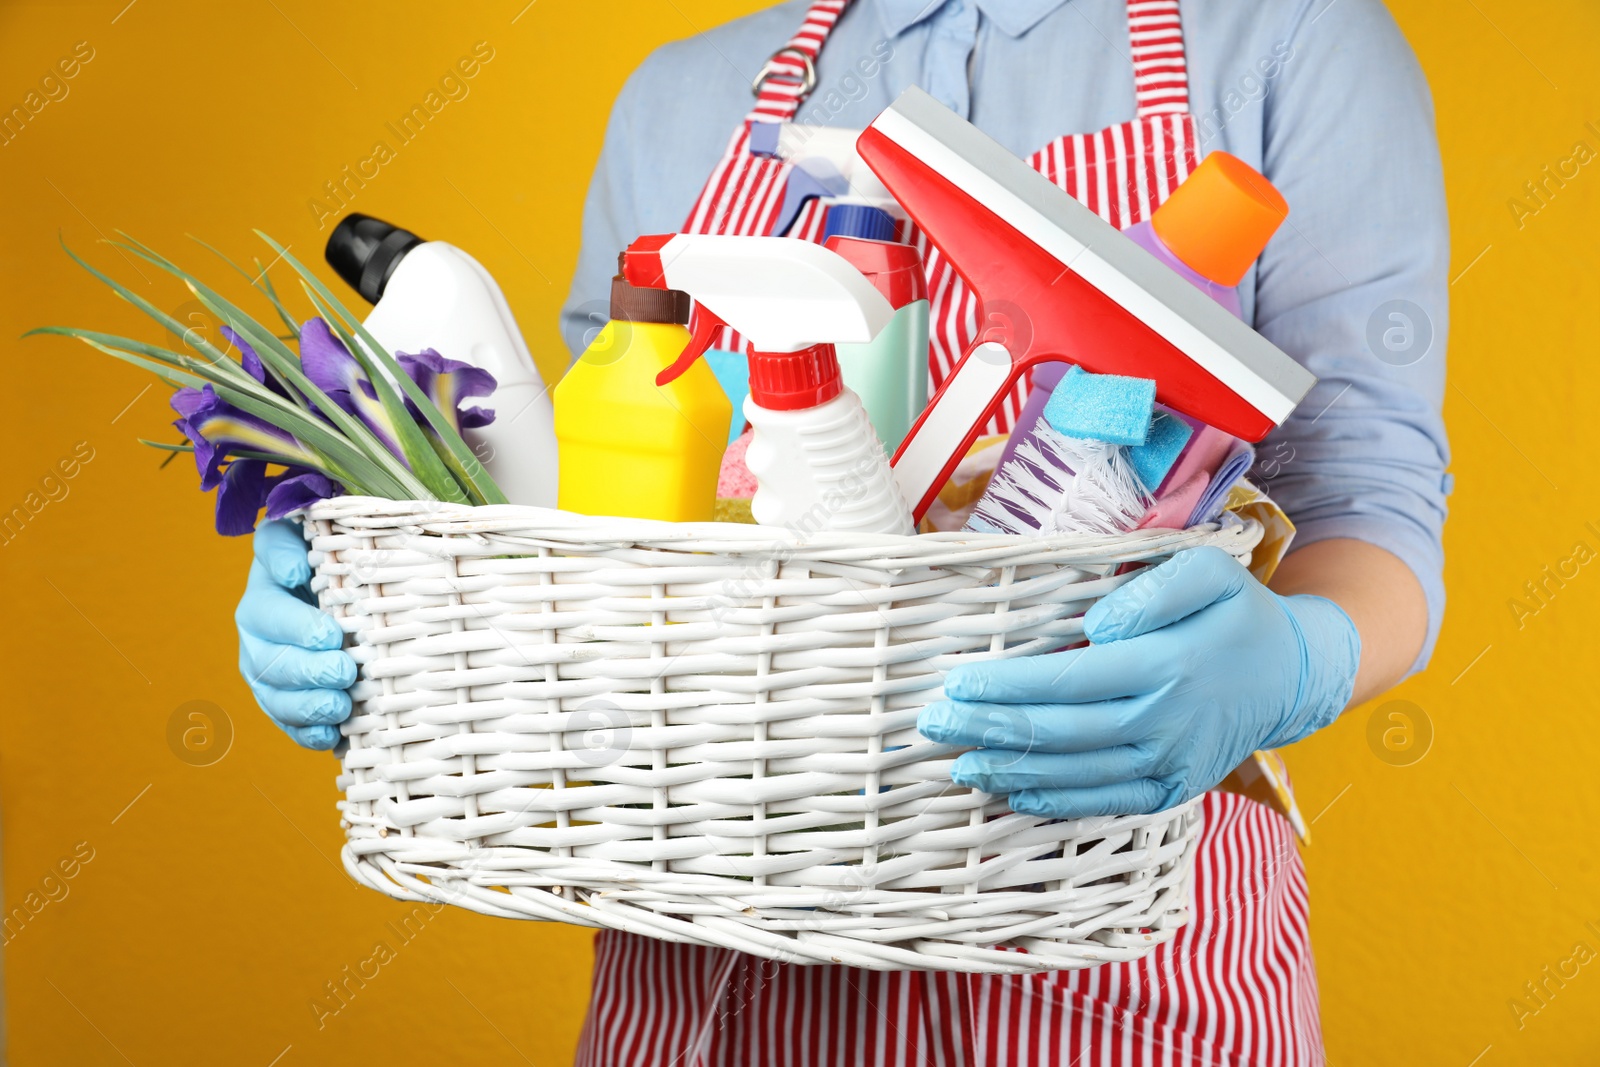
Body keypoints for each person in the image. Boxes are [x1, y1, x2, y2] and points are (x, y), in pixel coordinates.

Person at [236, 0, 1449, 1062]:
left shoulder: (1285, 38)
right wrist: (380, 606)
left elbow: (1364, 496)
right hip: (713, 957)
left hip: (1121, 943)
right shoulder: (685, 95)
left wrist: (1292, 659)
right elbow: (593, 536)